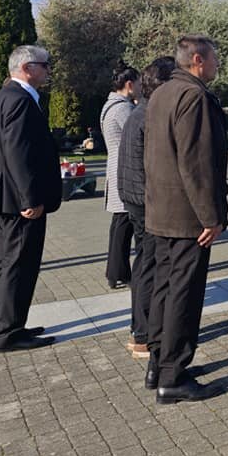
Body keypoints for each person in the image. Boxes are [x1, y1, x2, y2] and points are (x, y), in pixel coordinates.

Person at [144, 35, 228, 403]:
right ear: (197, 60)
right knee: (184, 293)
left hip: (162, 210)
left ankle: (159, 363)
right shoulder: (192, 96)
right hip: (186, 216)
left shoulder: (162, 93)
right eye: (214, 59)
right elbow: (196, 164)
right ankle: (173, 376)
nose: (216, 65)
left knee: (164, 288)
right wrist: (211, 217)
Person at [0, 45, 62, 352]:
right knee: (17, 265)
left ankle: (4, 324)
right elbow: (18, 153)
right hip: (20, 201)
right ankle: (8, 333)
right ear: (27, 68)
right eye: (45, 65)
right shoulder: (20, 100)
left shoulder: (6, 97)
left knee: (6, 263)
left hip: (7, 198)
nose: (48, 71)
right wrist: (30, 198)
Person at [117, 56, 176, 360]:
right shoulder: (150, 115)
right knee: (149, 266)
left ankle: (142, 330)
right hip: (146, 201)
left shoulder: (140, 112)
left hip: (135, 197)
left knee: (144, 264)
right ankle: (143, 334)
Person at [101, 61, 141, 289]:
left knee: (120, 224)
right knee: (124, 224)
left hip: (116, 167)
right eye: (138, 83)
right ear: (129, 84)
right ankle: (119, 271)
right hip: (124, 170)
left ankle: (115, 270)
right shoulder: (123, 108)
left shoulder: (111, 105)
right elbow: (137, 135)